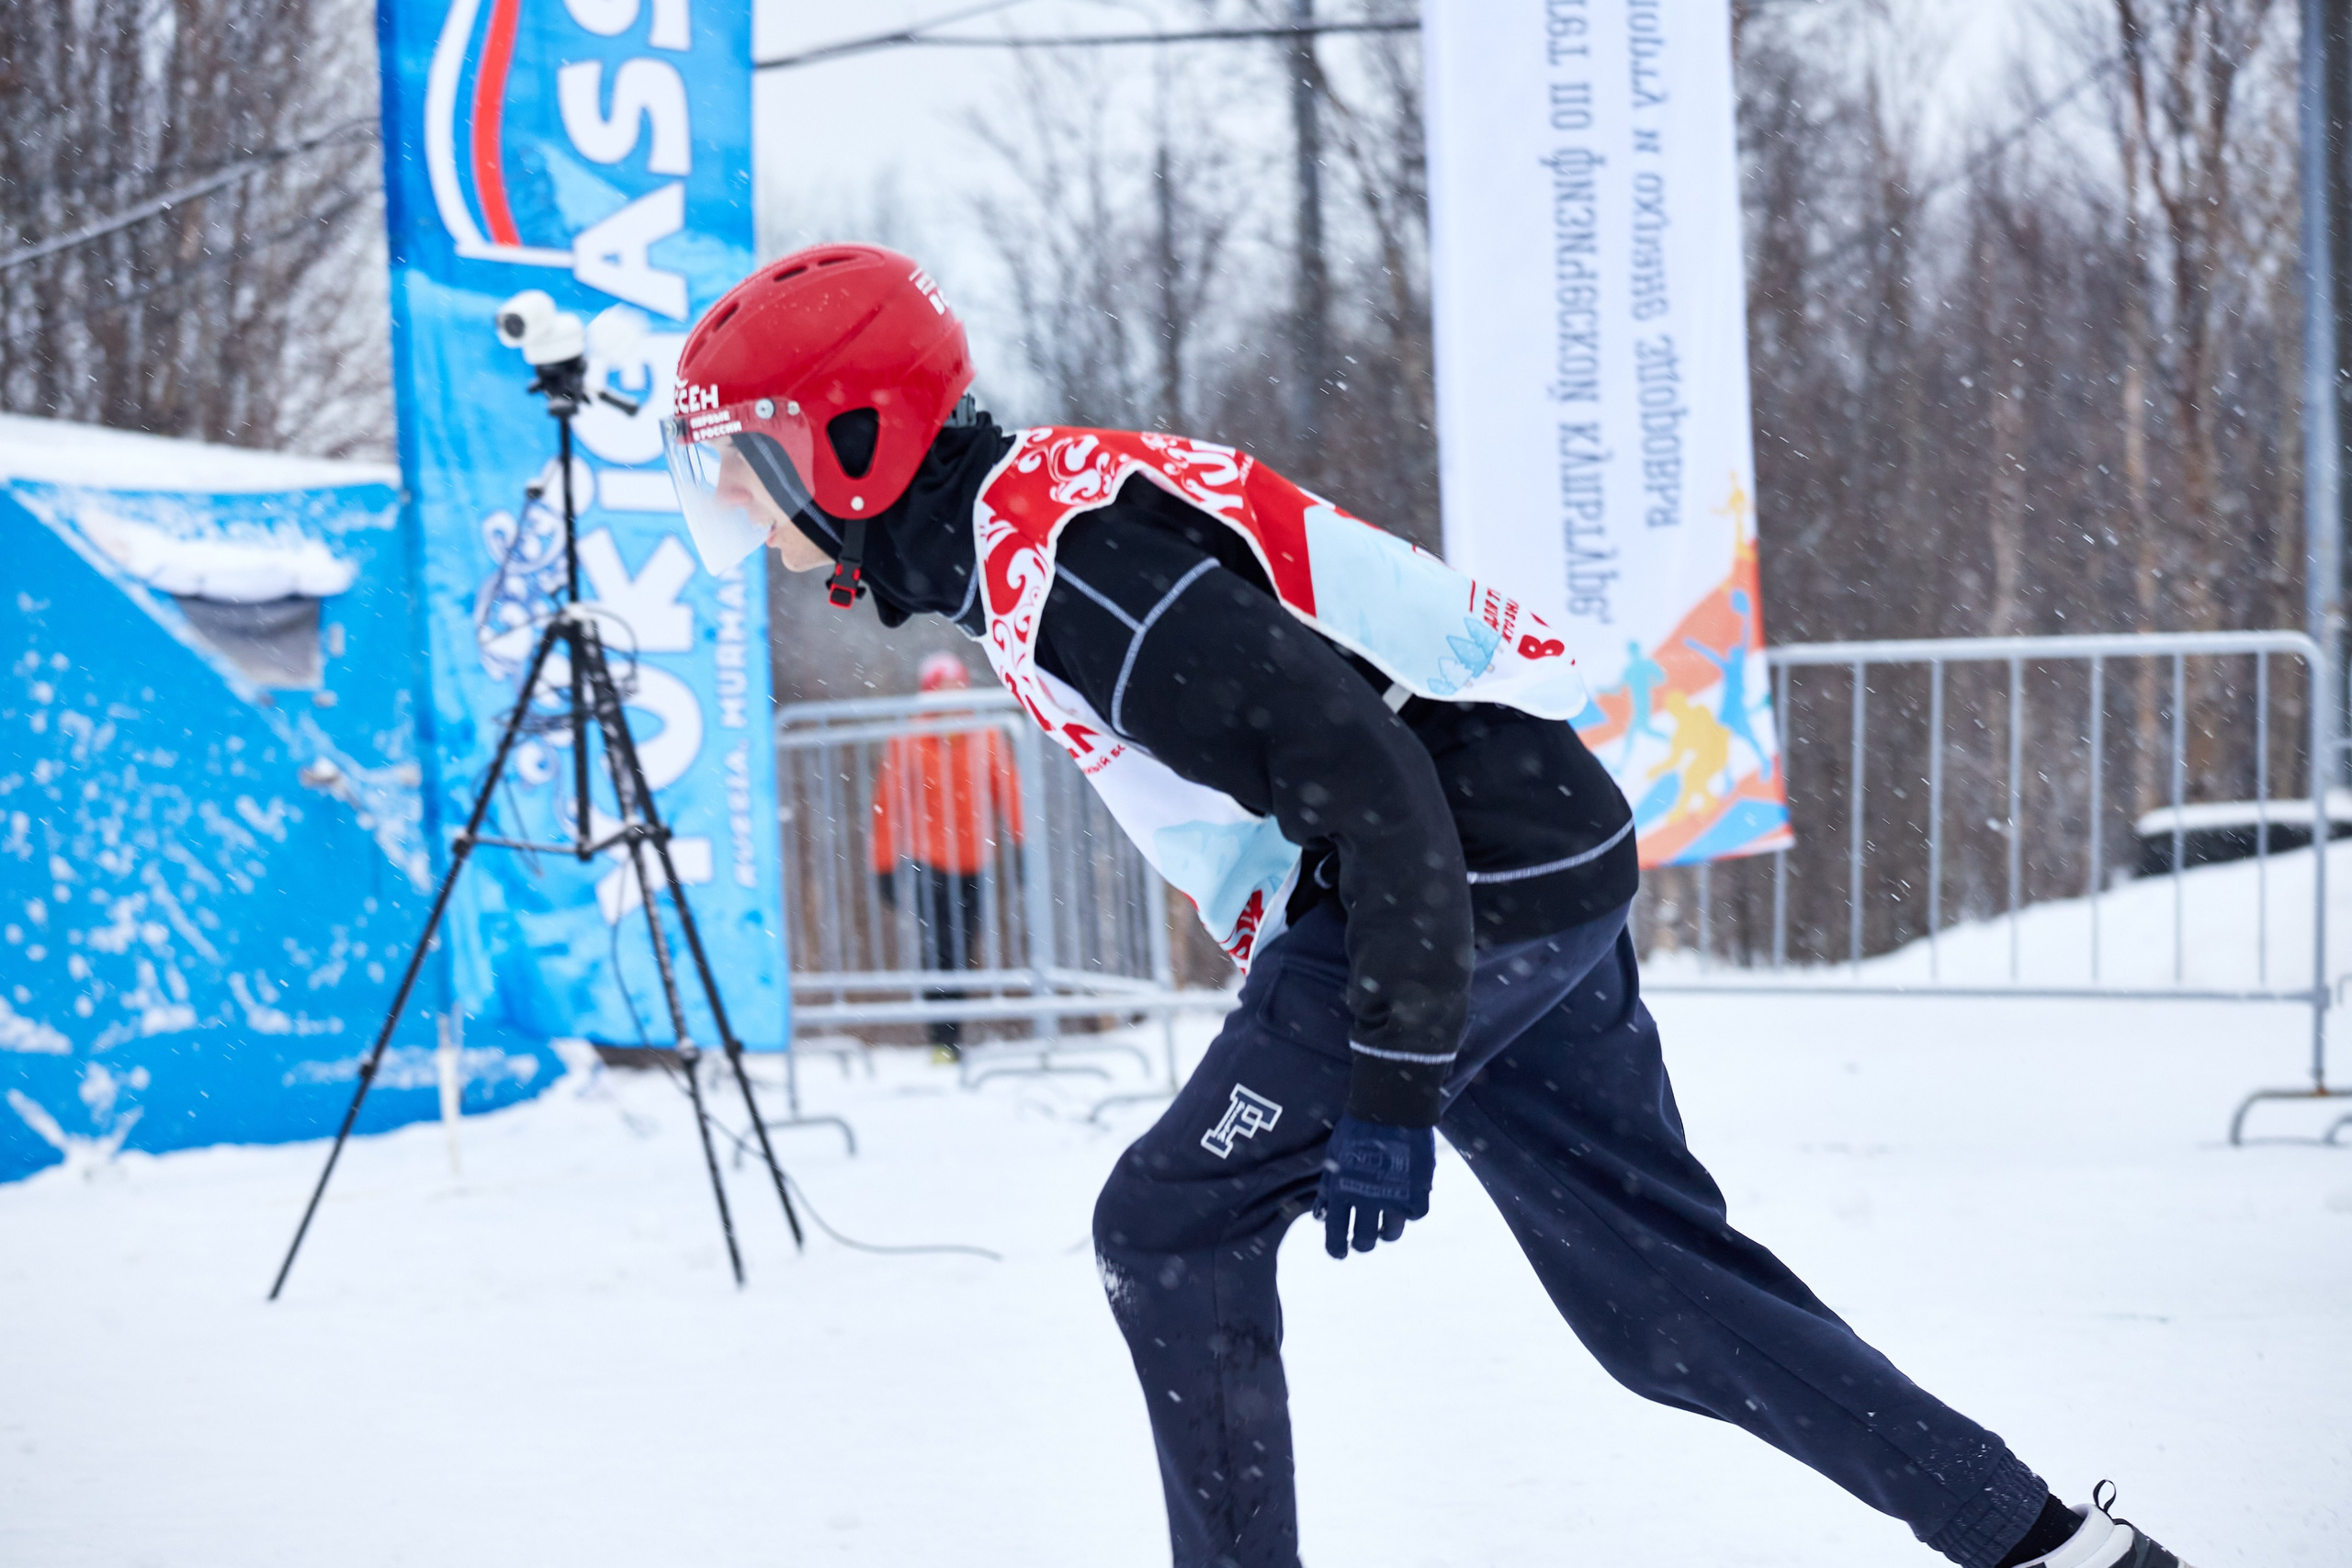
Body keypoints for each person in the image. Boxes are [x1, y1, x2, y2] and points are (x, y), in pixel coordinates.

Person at [660, 243, 2191, 1568]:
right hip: (1527, 850)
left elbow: (1368, 774)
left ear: (853, 436)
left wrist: (1391, 1076)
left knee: (1171, 1228)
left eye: (752, 458)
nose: (743, 505)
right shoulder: (1029, 525)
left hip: (1456, 872)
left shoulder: (1072, 573)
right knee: (1658, 1302)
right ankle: (2049, 1542)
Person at [869, 650, 1022, 1059]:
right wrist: (883, 865)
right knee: (937, 948)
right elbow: (889, 806)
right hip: (927, 859)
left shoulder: (987, 733)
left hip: (975, 860)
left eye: (958, 687)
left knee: (963, 947)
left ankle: (954, 1034)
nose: (954, 696)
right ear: (929, 692)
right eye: (945, 688)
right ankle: (942, 1038)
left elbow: (1009, 792)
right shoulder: (908, 739)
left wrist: (1020, 842)